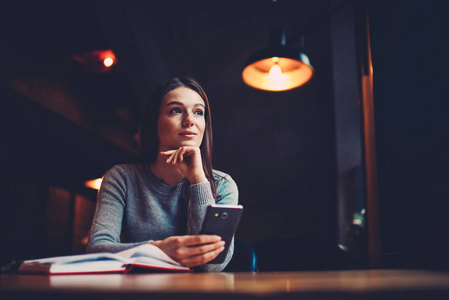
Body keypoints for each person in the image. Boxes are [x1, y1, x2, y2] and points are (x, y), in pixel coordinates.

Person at [87, 76, 239, 272]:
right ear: (154, 123)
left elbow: (211, 266)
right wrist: (158, 249)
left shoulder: (224, 185)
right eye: (176, 110)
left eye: (198, 112)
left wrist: (198, 181)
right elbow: (96, 250)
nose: (189, 121)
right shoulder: (121, 178)